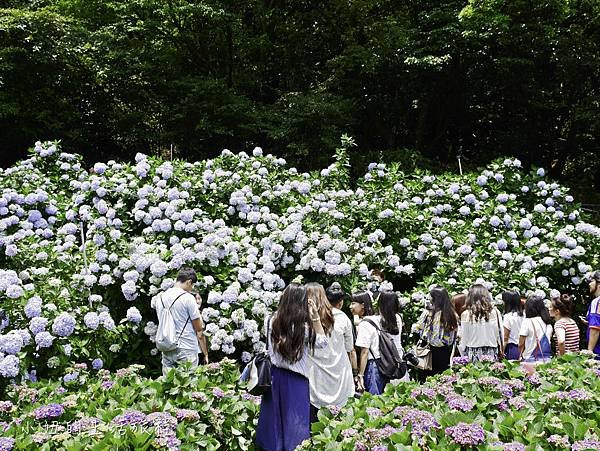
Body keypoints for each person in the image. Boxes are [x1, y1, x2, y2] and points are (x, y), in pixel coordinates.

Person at [255, 284, 327, 451]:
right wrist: (315, 317)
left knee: (274, 420)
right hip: (297, 380)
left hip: (274, 377)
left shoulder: (270, 321)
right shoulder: (305, 328)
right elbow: (323, 343)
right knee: (295, 422)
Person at [307, 283, 354, 421]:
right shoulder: (343, 318)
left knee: (314, 422)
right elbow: (349, 348)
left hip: (315, 377)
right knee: (340, 421)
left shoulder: (305, 319)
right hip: (340, 374)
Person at [151, 268, 209, 375]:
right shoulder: (187, 298)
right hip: (186, 348)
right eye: (192, 286)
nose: (191, 289)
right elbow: (199, 330)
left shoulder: (160, 298)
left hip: (167, 347)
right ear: (189, 282)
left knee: (169, 385)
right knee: (188, 385)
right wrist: (205, 353)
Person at [355, 290, 404, 395]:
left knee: (374, 403)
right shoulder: (399, 319)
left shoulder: (368, 322)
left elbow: (364, 352)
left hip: (376, 365)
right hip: (396, 364)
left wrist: (360, 375)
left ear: (380, 303)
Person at [414, 287, 458, 378]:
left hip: (430, 350)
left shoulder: (429, 313)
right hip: (446, 350)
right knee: (444, 377)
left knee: (428, 377)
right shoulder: (451, 314)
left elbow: (419, 328)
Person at [458, 285, 503, 362]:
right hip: (491, 352)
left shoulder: (466, 314)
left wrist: (463, 353)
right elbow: (500, 334)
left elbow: (464, 338)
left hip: (472, 352)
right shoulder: (495, 312)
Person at [519, 296, 553, 362]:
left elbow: (521, 343)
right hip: (546, 360)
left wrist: (522, 354)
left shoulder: (527, 322)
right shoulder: (548, 323)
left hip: (530, 359)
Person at [502, 290, 524, 360]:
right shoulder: (525, 315)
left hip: (512, 349)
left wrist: (501, 352)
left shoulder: (508, 317)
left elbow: (505, 338)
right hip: (524, 348)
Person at [586, 271, 600, 358]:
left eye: (591, 281)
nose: (589, 284)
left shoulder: (597, 302)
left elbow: (595, 329)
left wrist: (589, 351)